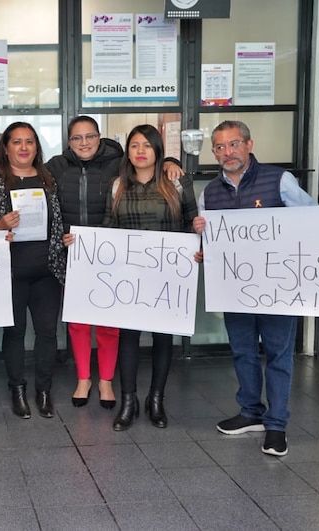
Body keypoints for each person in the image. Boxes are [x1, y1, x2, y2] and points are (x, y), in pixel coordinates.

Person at [192, 120, 319, 456]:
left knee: (279, 354)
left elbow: (313, 218)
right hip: (235, 288)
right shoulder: (209, 192)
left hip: (279, 288)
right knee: (243, 350)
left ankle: (277, 424)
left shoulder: (279, 180)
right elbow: (211, 241)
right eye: (220, 147)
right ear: (213, 152)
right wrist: (200, 239)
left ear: (249, 145)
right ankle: (251, 411)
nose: (228, 152)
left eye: (234, 144)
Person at [48, 116, 184, 410]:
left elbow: (149, 157)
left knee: (111, 324)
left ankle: (106, 381)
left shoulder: (117, 163)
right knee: (78, 321)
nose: (84, 143)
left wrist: (171, 159)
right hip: (78, 254)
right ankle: (83, 378)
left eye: (90, 136)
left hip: (115, 256)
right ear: (68, 141)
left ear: (100, 137)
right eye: (77, 138)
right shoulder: (56, 167)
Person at [100, 124, 197, 432]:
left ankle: (156, 399)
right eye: (134, 145)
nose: (140, 151)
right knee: (128, 337)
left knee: (162, 338)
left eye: (147, 145)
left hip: (167, 276)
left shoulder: (177, 183)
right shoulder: (117, 186)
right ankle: (129, 401)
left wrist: (196, 249)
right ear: (127, 152)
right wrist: (86, 246)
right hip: (128, 276)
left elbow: (192, 224)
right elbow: (107, 228)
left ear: (158, 150)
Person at [0, 122, 66, 419]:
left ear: (37, 147)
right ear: (5, 147)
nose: (24, 148)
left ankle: (44, 391)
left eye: (30, 142)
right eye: (17, 142)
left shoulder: (49, 179)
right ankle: (17, 389)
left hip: (47, 268)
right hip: (9, 270)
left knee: (48, 333)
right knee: (15, 332)